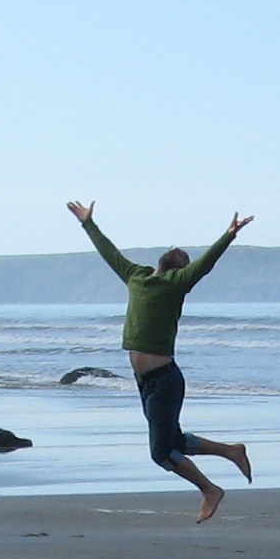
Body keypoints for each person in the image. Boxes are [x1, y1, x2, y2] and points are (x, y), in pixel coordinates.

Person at [68, 201, 255, 521]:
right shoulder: (135, 275)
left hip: (165, 379)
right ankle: (231, 451)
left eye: (186, 257)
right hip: (147, 383)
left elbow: (206, 264)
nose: (182, 253)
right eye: (179, 250)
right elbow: (109, 253)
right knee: (174, 441)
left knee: (161, 453)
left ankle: (210, 490)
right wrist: (88, 223)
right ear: (165, 254)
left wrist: (228, 236)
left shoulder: (177, 283)